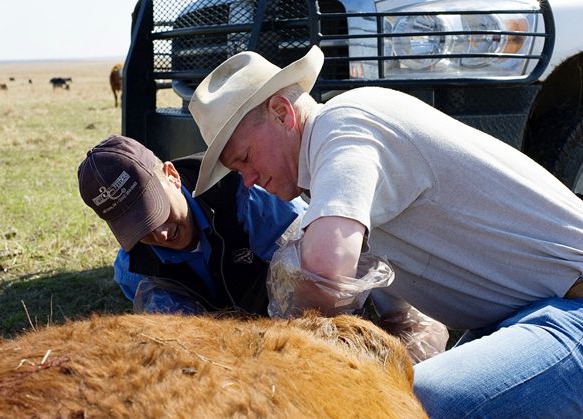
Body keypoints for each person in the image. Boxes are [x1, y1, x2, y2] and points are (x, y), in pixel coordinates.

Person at [187, 46, 583, 417]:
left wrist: (275, 361)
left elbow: (325, 270)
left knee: (410, 403)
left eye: (245, 159)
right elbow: (404, 308)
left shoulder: (345, 126)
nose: (249, 181)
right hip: (528, 314)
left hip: (570, 311)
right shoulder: (335, 154)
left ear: (281, 112)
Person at [77, 134, 307, 315]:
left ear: (172, 176)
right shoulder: (135, 272)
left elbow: (318, 274)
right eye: (141, 228)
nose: (162, 234)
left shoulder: (253, 202)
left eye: (157, 212)